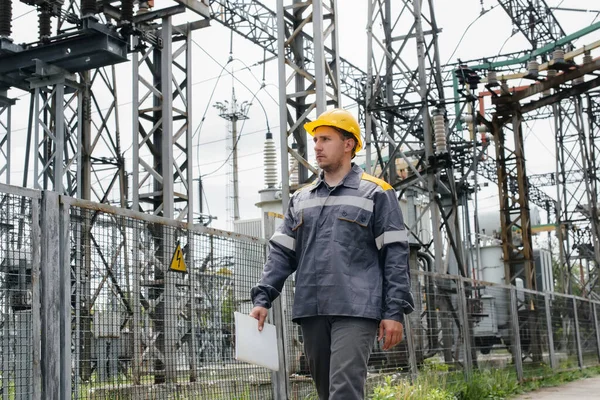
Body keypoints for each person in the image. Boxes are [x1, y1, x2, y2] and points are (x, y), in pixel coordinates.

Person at [249, 108, 414, 400]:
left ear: (348, 144)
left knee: (344, 390)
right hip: (311, 309)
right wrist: (263, 298)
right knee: (326, 393)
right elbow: (282, 253)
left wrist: (394, 312)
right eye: (315, 141)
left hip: (356, 309)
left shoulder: (377, 193)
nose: (317, 147)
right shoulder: (301, 199)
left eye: (325, 139)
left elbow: (395, 256)